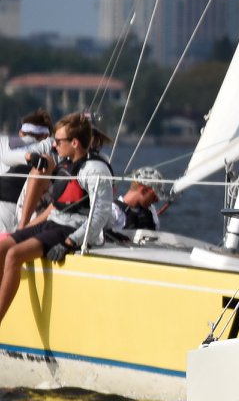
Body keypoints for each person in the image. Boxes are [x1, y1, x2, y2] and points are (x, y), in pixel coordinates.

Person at [0, 113, 115, 328]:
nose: (54, 144)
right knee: (3, 246)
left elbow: (99, 215)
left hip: (69, 228)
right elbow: (56, 206)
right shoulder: (65, 161)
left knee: (14, 255)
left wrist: (71, 242)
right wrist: (24, 229)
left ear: (74, 142)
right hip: (53, 220)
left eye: (58, 141)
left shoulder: (94, 169)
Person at [0, 110, 53, 233]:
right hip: (21, 220)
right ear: (46, 136)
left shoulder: (3, 141)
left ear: (20, 133)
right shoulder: (48, 146)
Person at [109, 167, 165, 234]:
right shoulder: (112, 211)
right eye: (154, 196)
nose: (157, 200)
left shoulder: (151, 210)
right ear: (144, 191)